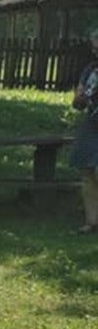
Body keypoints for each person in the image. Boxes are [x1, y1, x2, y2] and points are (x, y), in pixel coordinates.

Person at [71, 29, 98, 233]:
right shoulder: (90, 70)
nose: (95, 50)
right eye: (94, 46)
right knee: (87, 172)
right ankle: (92, 222)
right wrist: (79, 99)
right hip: (91, 123)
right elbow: (78, 102)